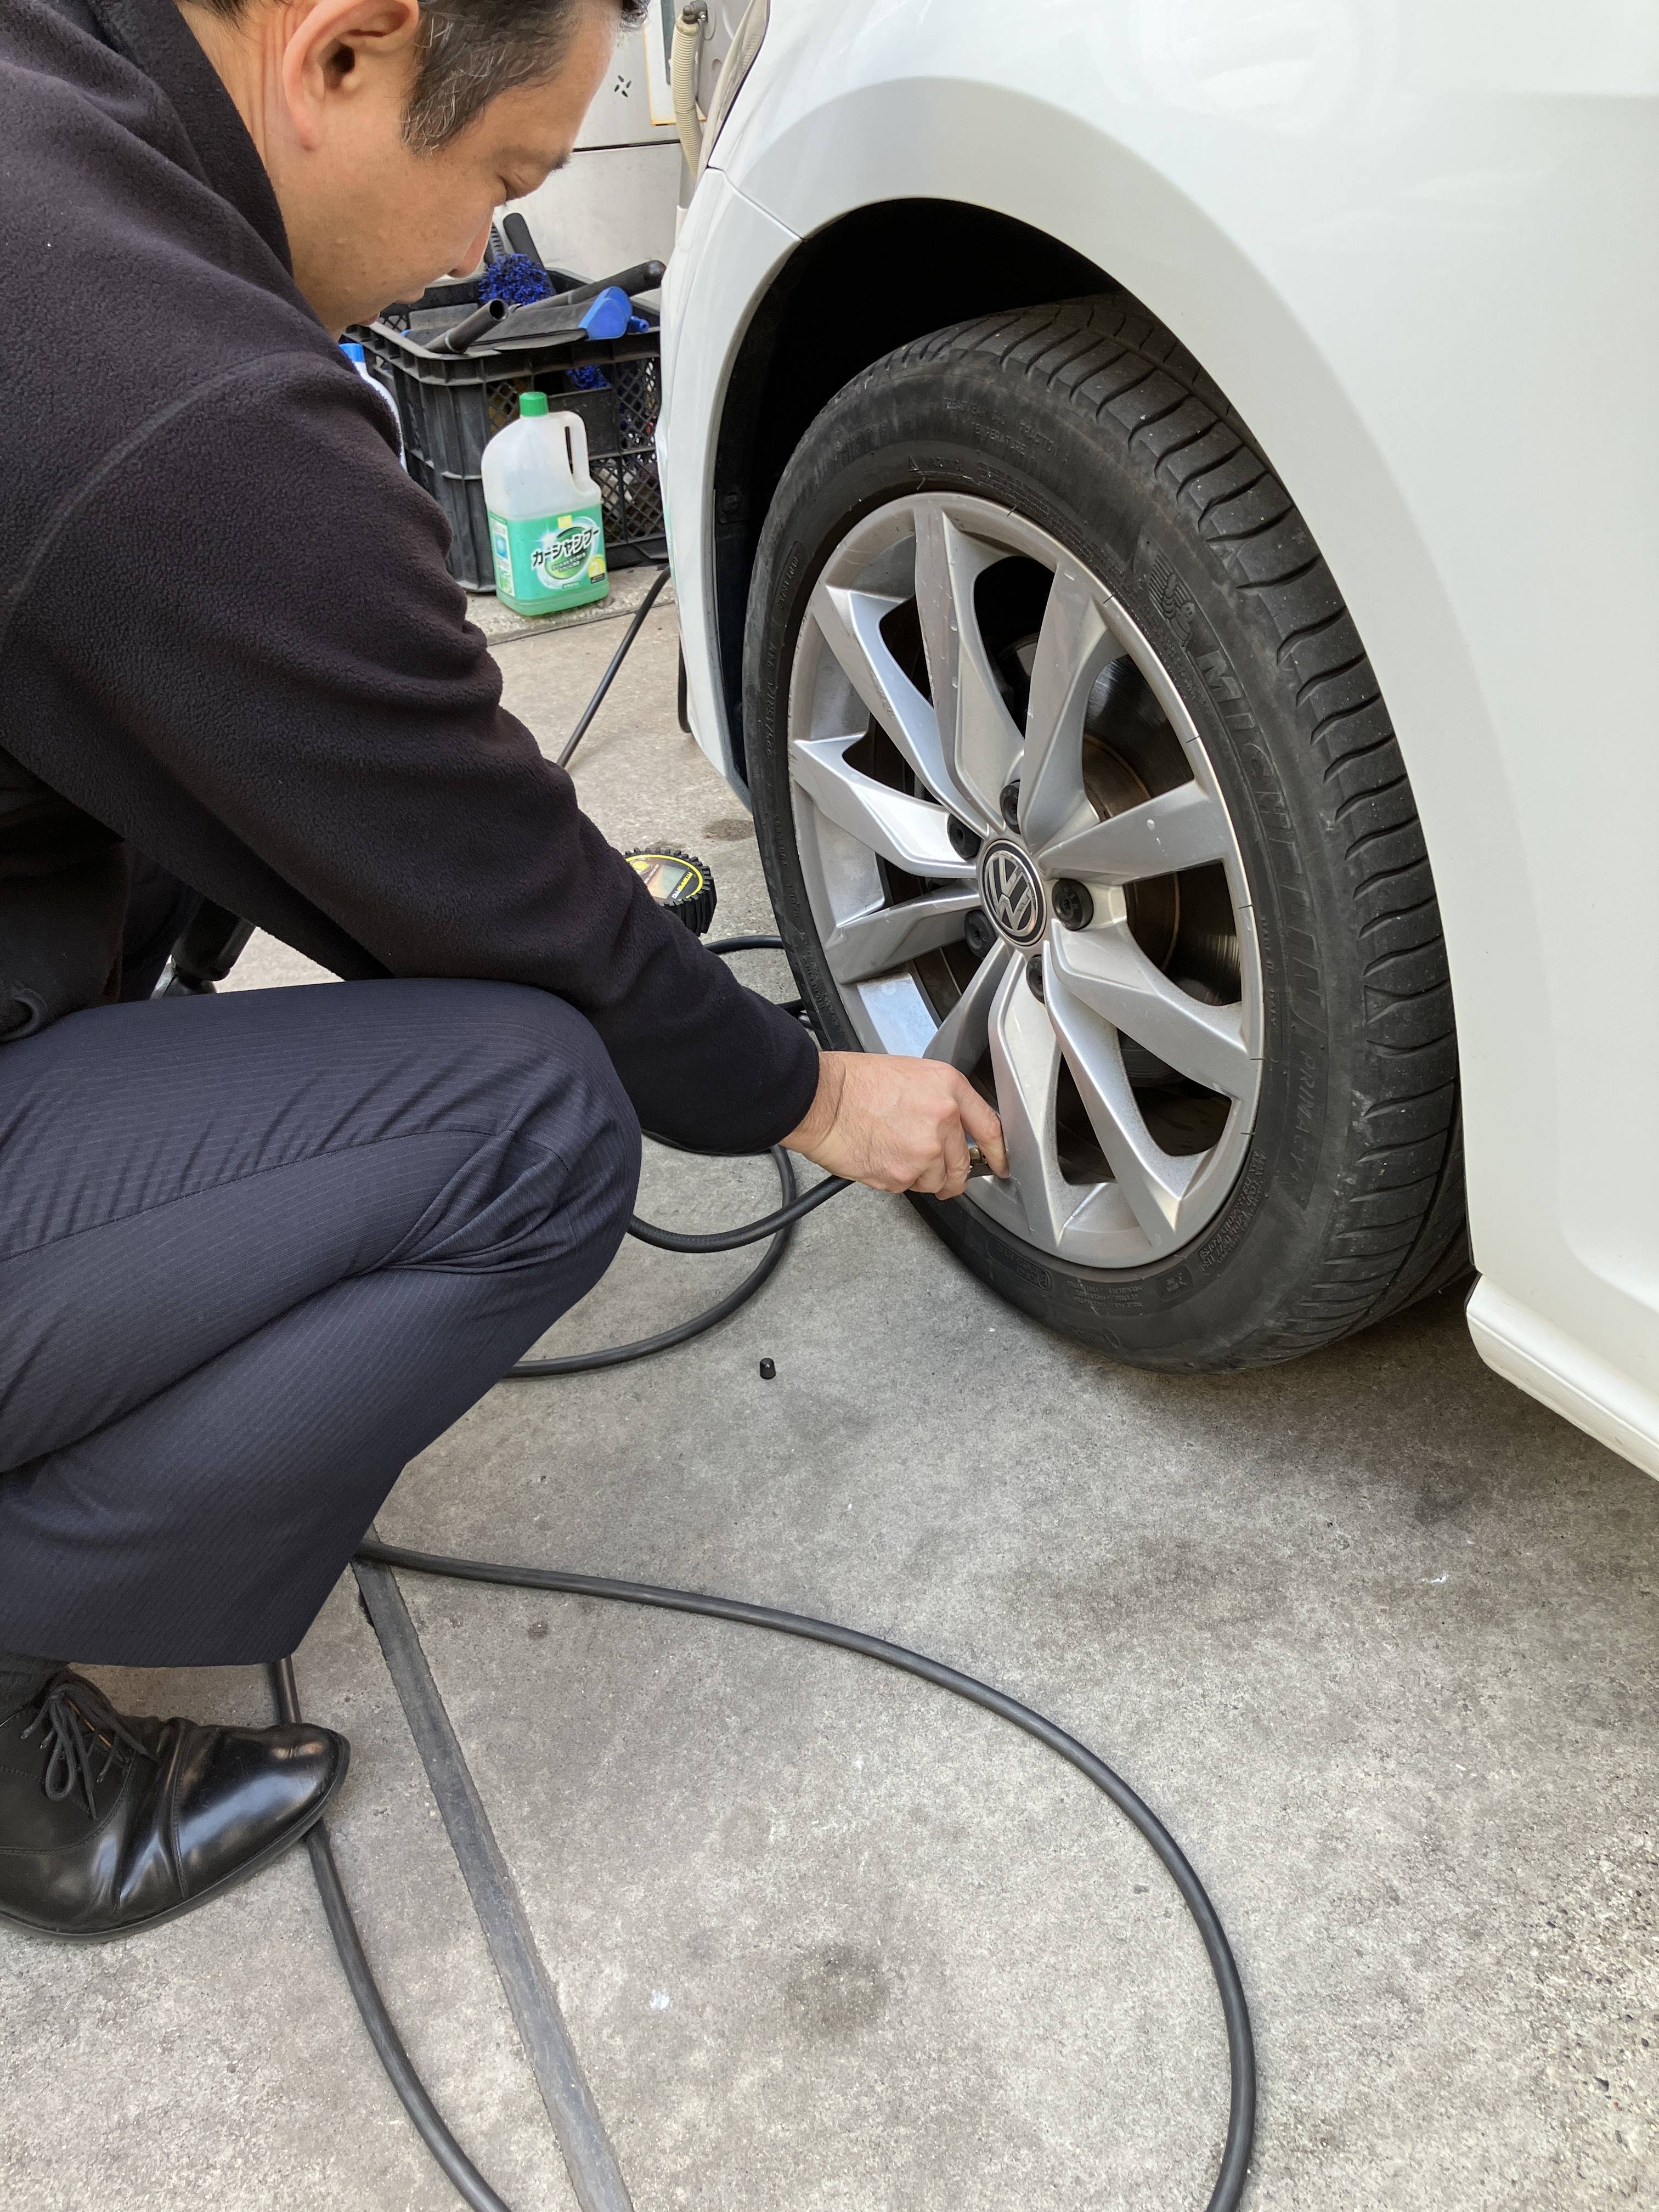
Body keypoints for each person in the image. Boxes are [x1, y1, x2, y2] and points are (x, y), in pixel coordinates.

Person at [0, 0, 1006, 1942]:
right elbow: (492, 888)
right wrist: (809, 1090)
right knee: (530, 1120)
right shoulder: (162, 401)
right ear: (343, 56)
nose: (486, 257)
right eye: (505, 180)